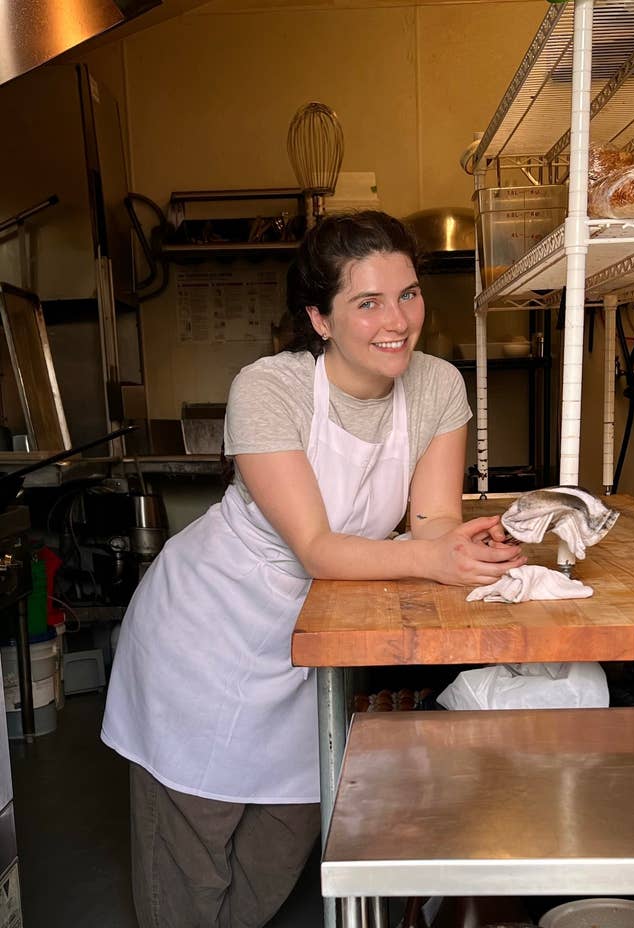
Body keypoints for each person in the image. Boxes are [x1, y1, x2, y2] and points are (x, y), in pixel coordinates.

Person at [101, 210, 525, 928]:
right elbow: (317, 547)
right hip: (206, 638)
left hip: (312, 650)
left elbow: (431, 521)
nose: (398, 320)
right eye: (368, 302)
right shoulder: (270, 388)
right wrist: (429, 559)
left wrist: (459, 549)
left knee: (276, 858)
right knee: (189, 878)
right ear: (319, 318)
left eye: (409, 294)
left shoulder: (437, 387)